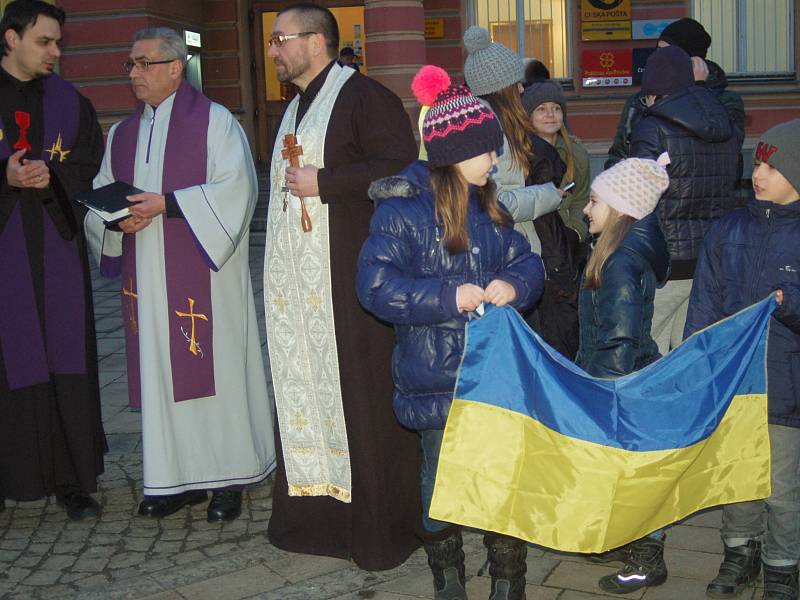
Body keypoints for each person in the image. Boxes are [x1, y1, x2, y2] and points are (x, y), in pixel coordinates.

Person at [357, 65, 545, 600]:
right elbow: (374, 286)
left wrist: (514, 283)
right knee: (440, 481)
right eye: (488, 150)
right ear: (454, 154)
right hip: (434, 375)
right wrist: (446, 297)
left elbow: (527, 262)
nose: (496, 159)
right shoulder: (400, 212)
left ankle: (509, 578)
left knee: (501, 476)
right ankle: (449, 578)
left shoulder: (491, 203)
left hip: (495, 375)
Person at [85, 27, 275, 522]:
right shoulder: (121, 134)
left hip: (203, 275)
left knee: (216, 374)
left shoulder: (215, 123)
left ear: (175, 67)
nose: (133, 73)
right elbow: (101, 190)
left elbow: (238, 189)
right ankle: (173, 479)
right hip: (145, 276)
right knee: (162, 377)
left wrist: (168, 204)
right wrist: (113, 219)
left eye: (144, 63)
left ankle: (230, 477)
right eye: (130, 64)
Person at [263, 3, 421, 571]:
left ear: (316, 40)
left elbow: (402, 169)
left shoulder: (364, 98)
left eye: (282, 39)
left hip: (352, 282)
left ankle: (379, 528)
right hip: (303, 292)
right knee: (309, 392)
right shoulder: (297, 105)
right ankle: (316, 518)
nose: (274, 50)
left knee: (363, 397)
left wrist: (325, 182)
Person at [684, 120, 800, 600]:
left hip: (784, 384)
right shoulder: (727, 228)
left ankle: (781, 567)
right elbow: (705, 302)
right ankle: (739, 552)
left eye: (773, 167)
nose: (760, 174)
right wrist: (695, 364)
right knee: (735, 475)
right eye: (757, 162)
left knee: (779, 486)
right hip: (732, 382)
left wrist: (788, 302)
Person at [0, 0, 105, 520]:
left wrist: (50, 177)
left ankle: (71, 480)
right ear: (10, 38)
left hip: (56, 247)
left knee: (66, 356)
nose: (56, 52)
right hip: (5, 254)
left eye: (59, 42)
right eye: (44, 41)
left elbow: (88, 163)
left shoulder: (71, 102)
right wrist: (6, 177)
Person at [575, 156, 671, 593]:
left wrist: (600, 391)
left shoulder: (619, 266)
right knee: (619, 471)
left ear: (618, 209)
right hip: (620, 377)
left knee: (627, 474)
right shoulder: (616, 255)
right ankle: (625, 540)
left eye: (593, 201)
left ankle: (645, 559)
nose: (586, 209)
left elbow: (618, 338)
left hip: (619, 383)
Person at [629, 45, 739, 356]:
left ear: (652, 90)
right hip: (712, 256)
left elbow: (639, 197)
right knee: (689, 350)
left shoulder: (652, 127)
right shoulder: (724, 121)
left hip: (665, 260)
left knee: (647, 348)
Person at [462, 25, 562, 257]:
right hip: (503, 249)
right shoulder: (491, 131)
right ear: (501, 89)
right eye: (515, 83)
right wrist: (548, 195)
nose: (521, 88)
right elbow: (493, 203)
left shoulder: (489, 123)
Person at [605, 17, 745, 171]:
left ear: (692, 59)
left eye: (668, 51)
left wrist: (699, 88)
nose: (660, 57)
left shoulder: (724, 100)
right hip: (645, 189)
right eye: (658, 49)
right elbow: (619, 152)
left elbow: (730, 150)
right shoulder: (641, 100)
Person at [521, 80, 590, 357]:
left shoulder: (577, 153)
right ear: (528, 117)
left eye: (556, 108)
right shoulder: (521, 154)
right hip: (539, 246)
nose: (550, 115)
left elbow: (583, 199)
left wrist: (574, 232)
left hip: (570, 249)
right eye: (541, 109)